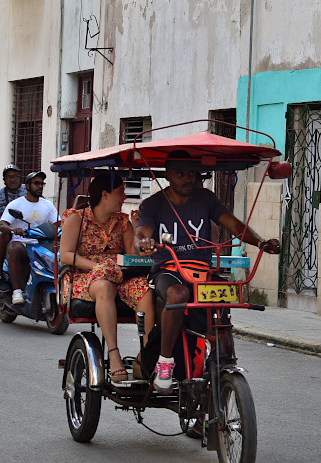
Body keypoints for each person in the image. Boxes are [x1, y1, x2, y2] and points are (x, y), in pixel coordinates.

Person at [135, 151, 280, 393]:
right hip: (168, 271)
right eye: (180, 174)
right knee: (178, 294)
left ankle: (223, 359)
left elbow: (233, 224)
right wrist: (144, 242)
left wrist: (261, 242)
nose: (187, 179)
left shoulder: (206, 199)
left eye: (191, 173)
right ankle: (165, 362)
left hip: (202, 272)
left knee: (225, 295)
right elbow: (142, 232)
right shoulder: (152, 204)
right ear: (168, 175)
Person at [59, 171, 155, 383]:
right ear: (104, 194)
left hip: (120, 275)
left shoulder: (122, 222)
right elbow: (66, 255)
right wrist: (97, 266)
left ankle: (145, 356)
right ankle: (113, 353)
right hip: (85, 277)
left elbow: (131, 256)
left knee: (148, 291)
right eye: (120, 192)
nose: (123, 197)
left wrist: (140, 233)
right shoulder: (77, 218)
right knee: (104, 286)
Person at [0, 171, 57, 305]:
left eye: (42, 183)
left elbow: (57, 224)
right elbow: (3, 224)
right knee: (14, 248)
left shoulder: (48, 205)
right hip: (23, 244)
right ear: (27, 186)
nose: (40, 186)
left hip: (42, 244)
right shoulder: (16, 204)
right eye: (36, 183)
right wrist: (13, 229)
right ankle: (17, 291)